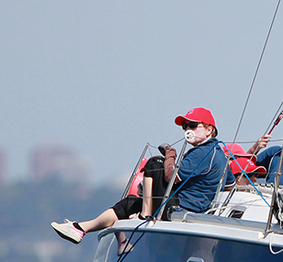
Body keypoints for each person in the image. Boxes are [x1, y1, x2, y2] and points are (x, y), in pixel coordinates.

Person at [51, 107, 233, 251]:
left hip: (184, 206)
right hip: (196, 206)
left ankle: (144, 215)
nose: (187, 129)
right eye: (185, 126)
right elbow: (229, 184)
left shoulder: (202, 151)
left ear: (209, 130)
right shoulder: (220, 153)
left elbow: (171, 176)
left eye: (192, 125)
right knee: (129, 203)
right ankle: (83, 230)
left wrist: (170, 154)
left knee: (155, 163)